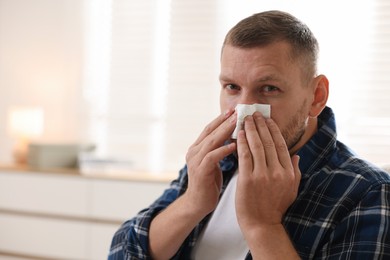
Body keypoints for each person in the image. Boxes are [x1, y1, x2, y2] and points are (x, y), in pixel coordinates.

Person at [108, 10, 390, 259]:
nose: (245, 110)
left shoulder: (369, 193)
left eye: (268, 88)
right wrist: (192, 203)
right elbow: (121, 253)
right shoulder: (215, 163)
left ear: (317, 96)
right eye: (232, 87)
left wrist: (263, 226)